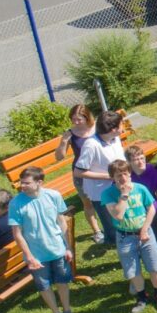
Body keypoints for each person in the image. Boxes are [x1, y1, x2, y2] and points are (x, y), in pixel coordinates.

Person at [9, 166, 80, 313]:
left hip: (57, 249)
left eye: (26, 183)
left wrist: (67, 247)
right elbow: (17, 234)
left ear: (39, 182)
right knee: (44, 286)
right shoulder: (16, 203)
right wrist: (29, 257)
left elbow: (61, 222)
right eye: (21, 182)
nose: (22, 186)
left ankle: (68, 312)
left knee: (62, 282)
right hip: (37, 256)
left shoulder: (53, 196)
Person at [100, 159, 157, 313]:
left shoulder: (140, 188)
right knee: (132, 269)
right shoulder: (108, 194)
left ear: (130, 173)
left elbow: (151, 208)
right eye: (118, 175)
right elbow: (118, 215)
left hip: (145, 233)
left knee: (154, 265)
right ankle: (141, 297)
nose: (123, 178)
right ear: (112, 178)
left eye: (125, 173)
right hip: (125, 237)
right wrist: (124, 195)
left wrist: (145, 229)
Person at [54, 103, 106, 243]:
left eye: (79, 119)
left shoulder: (97, 128)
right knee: (87, 203)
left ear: (87, 117)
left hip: (100, 170)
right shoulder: (70, 134)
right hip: (81, 174)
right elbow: (59, 157)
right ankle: (97, 231)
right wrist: (64, 142)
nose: (76, 122)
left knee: (106, 200)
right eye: (73, 119)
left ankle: (111, 226)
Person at [74, 110, 126, 245]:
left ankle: (124, 239)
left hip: (118, 186)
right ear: (113, 129)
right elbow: (79, 172)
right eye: (122, 124)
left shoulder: (115, 139)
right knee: (111, 224)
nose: (123, 127)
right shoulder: (91, 145)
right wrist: (108, 176)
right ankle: (114, 243)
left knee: (122, 215)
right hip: (100, 192)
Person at [126, 144, 157, 246]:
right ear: (129, 162)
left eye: (142, 158)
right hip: (135, 210)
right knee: (138, 235)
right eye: (136, 160)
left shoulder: (152, 170)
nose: (140, 162)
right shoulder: (126, 174)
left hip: (152, 208)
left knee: (156, 233)